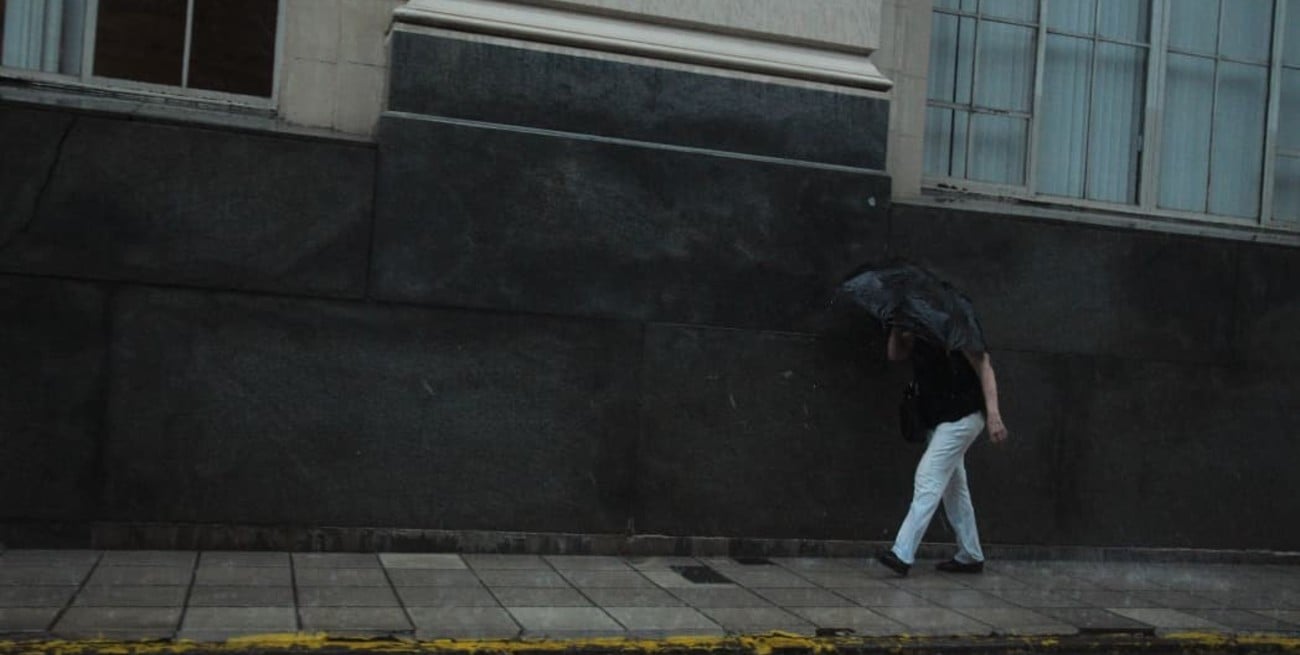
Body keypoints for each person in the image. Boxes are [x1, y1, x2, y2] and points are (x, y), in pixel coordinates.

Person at [875, 327, 1008, 576]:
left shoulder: (954, 329)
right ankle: (970, 554)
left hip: (963, 416)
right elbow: (895, 354)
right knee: (954, 489)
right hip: (939, 420)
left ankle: (902, 553)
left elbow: (984, 365)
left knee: (928, 476)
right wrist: (897, 328)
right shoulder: (917, 328)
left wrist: (994, 415)